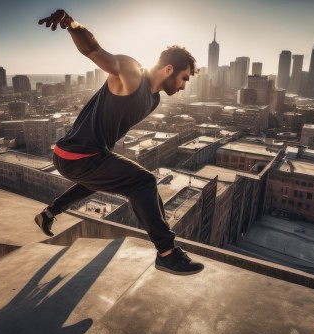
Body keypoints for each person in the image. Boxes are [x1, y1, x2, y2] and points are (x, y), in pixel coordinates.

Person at [36, 9, 203, 275]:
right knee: (143, 181)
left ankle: (49, 213)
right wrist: (72, 24)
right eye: (184, 78)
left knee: (107, 180)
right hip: (77, 155)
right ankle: (167, 253)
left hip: (79, 157)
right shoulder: (132, 73)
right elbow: (93, 50)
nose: (183, 86)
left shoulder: (154, 99)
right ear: (169, 69)